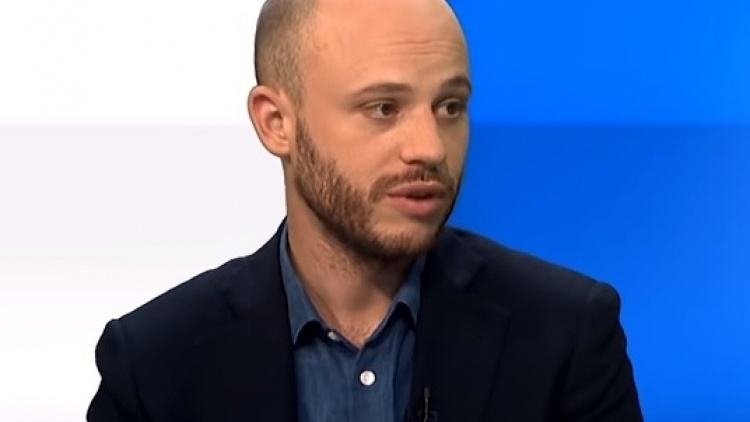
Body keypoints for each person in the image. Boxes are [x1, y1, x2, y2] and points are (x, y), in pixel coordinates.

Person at [87, 0, 643, 420]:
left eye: (450, 106)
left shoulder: (566, 337)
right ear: (276, 123)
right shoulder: (153, 367)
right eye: (383, 108)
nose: (429, 147)